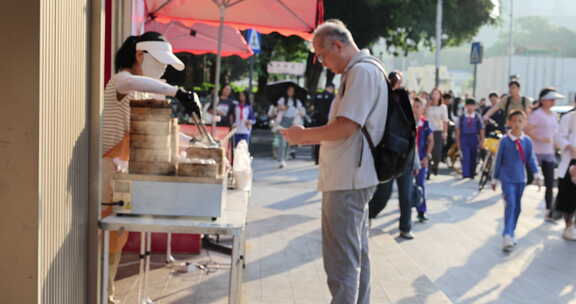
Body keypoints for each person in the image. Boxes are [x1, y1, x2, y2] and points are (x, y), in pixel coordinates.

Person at [280, 19, 388, 304]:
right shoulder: (360, 71)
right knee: (355, 256)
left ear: (338, 45)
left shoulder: (362, 73)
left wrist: (302, 137)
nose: (322, 62)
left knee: (342, 264)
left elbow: (345, 127)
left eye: (323, 55)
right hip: (350, 176)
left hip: (348, 179)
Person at [102, 32, 199, 304]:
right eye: (160, 62)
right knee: (106, 235)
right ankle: (101, 293)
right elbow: (129, 81)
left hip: (126, 172)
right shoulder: (120, 81)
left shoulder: (144, 89)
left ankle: (107, 294)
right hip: (107, 170)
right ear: (139, 55)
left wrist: (191, 141)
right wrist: (176, 91)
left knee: (118, 236)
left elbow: (154, 128)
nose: (163, 69)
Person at [368, 70, 418, 239]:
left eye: (399, 80)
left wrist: (415, 159)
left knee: (406, 194)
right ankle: (368, 215)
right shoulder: (381, 98)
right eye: (394, 80)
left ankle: (406, 227)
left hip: (406, 154)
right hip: (388, 153)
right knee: (383, 193)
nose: (396, 83)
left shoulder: (406, 101)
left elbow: (412, 132)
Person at [492, 110, 541, 252]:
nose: (517, 124)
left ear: (525, 123)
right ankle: (506, 234)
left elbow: (531, 159)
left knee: (517, 208)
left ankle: (511, 232)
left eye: (521, 121)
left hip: (521, 179)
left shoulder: (527, 141)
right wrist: (495, 178)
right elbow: (498, 160)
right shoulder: (505, 141)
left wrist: (537, 174)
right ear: (509, 122)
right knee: (511, 204)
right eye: (514, 120)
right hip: (507, 179)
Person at [526, 88, 563, 222]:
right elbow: (527, 130)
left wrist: (559, 145)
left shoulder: (553, 115)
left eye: (554, 100)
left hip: (549, 153)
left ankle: (549, 212)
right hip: (535, 152)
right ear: (543, 100)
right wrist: (540, 138)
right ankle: (512, 198)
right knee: (529, 179)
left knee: (549, 183)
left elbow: (556, 134)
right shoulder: (536, 114)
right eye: (551, 99)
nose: (553, 102)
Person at [553, 96, 576, 240]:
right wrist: (568, 146)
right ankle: (568, 227)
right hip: (570, 160)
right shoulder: (569, 117)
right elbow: (558, 137)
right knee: (568, 198)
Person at [413, 97, 434, 222]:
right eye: (414, 106)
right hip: (409, 161)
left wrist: (427, 156)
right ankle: (405, 211)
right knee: (406, 186)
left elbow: (431, 140)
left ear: (423, 109)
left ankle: (421, 211)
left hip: (421, 159)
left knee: (420, 184)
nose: (415, 109)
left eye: (418, 106)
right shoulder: (407, 121)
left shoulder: (425, 124)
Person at [275, 84, 306, 168]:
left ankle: (285, 158)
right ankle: (281, 159)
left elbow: (302, 111)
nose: (290, 92)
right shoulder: (282, 99)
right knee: (282, 141)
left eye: (292, 91)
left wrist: (301, 113)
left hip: (293, 122)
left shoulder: (297, 101)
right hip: (283, 121)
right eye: (289, 90)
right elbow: (277, 108)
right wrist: (283, 108)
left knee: (289, 141)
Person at [455, 99, 485, 179]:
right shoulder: (461, 117)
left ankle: (472, 174)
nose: (470, 107)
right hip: (464, 138)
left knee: (474, 157)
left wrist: (482, 141)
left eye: (472, 105)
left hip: (474, 138)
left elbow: (481, 129)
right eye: (468, 105)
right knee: (465, 157)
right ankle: (466, 174)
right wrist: (458, 143)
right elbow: (458, 131)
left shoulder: (477, 117)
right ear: (466, 106)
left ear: (475, 106)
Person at [425, 88, 449, 177]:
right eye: (433, 94)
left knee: (437, 153)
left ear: (440, 96)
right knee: (427, 150)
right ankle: (428, 170)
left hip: (438, 131)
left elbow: (445, 121)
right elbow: (422, 115)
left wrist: (445, 132)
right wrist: (427, 104)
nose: (434, 95)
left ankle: (435, 165)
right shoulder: (427, 105)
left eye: (436, 94)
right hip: (427, 131)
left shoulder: (443, 107)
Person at [312, 83, 336, 164]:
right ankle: (325, 159)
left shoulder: (317, 95)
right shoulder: (332, 97)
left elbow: (313, 106)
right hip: (327, 121)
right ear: (331, 88)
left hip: (317, 121)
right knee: (327, 140)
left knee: (317, 140)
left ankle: (316, 159)